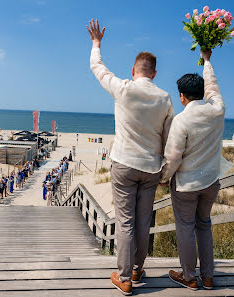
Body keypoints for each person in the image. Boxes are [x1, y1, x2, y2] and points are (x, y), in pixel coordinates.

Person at [87, 19, 174, 296]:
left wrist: (96, 43)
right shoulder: (165, 98)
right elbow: (168, 138)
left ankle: (125, 278)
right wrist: (167, 172)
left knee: (125, 221)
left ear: (133, 70)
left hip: (124, 164)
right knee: (143, 219)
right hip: (150, 168)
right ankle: (137, 268)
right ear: (155, 73)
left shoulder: (123, 88)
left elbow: (97, 68)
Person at [160, 49, 232, 291]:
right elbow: (213, 86)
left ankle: (189, 276)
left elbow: (173, 156)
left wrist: (164, 177)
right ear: (201, 93)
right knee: (204, 225)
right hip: (211, 181)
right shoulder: (217, 110)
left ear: (181, 96)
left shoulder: (181, 120)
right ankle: (208, 277)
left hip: (187, 185)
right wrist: (207, 60)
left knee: (186, 229)